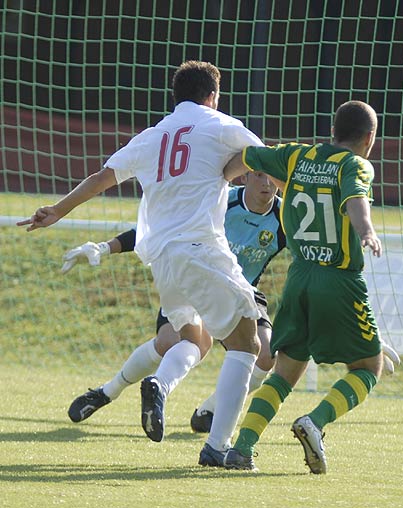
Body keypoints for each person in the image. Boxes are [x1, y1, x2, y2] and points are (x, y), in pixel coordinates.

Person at [18, 60, 264, 468]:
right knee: (246, 342)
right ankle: (218, 449)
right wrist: (235, 171)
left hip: (163, 260)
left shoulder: (153, 135)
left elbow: (103, 176)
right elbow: (261, 158)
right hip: (201, 248)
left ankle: (156, 384)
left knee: (193, 340)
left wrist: (58, 210)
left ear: (176, 96)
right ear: (213, 96)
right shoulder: (221, 124)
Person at [202, 100, 384, 474]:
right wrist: (365, 230)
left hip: (299, 278)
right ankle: (315, 422)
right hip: (339, 279)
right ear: (369, 137)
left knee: (285, 371)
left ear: (334, 130)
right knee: (369, 366)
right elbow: (356, 199)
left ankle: (242, 447)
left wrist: (218, 181)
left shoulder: (296, 156)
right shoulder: (356, 165)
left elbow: (248, 157)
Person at [63, 170, 285, 433]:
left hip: (242, 291)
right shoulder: (218, 202)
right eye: (259, 176)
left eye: (273, 178)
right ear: (244, 178)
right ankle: (107, 392)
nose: (267, 184)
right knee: (170, 342)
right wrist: (104, 247)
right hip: (196, 281)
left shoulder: (285, 218)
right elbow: (160, 229)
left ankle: (209, 411)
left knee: (266, 355)